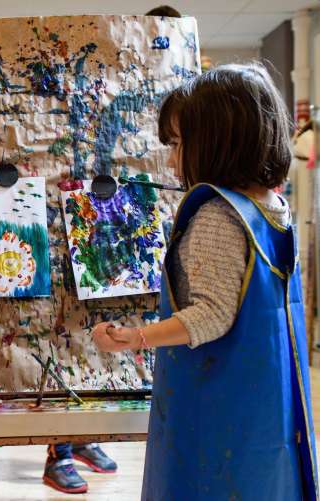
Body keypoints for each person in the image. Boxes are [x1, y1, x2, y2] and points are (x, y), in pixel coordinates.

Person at [92, 64, 318, 499]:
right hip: (267, 406)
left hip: (220, 410)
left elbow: (212, 316)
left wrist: (134, 337)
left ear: (221, 139)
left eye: (178, 143)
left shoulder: (218, 215)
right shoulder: (273, 205)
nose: (172, 158)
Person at [42, 5, 184, 494]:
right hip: (87, 209)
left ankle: (82, 435)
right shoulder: (113, 75)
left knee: (118, 320)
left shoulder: (178, 85)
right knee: (73, 321)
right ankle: (59, 446)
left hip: (140, 216)